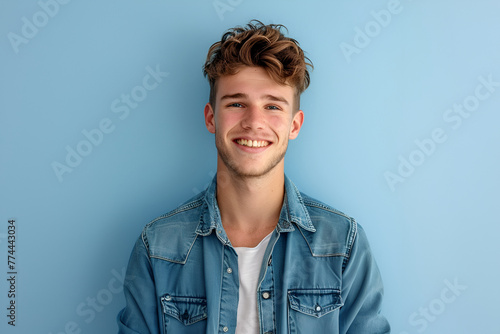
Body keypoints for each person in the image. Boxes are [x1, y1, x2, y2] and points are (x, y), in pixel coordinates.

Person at [117, 20, 390, 334]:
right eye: (236, 103)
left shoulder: (343, 243)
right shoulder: (158, 246)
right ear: (211, 118)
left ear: (294, 125)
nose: (254, 122)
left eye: (272, 106)